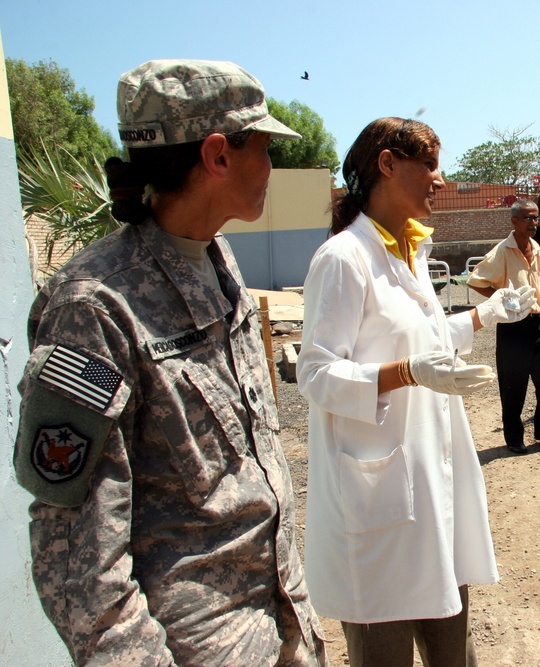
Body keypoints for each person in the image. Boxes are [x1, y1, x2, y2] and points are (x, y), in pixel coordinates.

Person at [12, 60, 326, 665]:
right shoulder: (94, 307)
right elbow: (80, 566)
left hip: (282, 620)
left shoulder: (218, 257)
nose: (272, 166)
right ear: (218, 156)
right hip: (196, 648)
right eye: (264, 147)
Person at [296, 117, 536, 666]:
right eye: (428, 164)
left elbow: (420, 341)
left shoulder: (409, 249)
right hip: (380, 491)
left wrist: (483, 314)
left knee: (453, 643)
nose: (440, 178)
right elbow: (314, 372)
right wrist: (405, 374)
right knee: (385, 647)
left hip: (431, 482)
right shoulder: (343, 258)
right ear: (387, 164)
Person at [468, 200, 540, 454]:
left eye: (535, 218)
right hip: (513, 325)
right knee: (513, 384)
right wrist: (501, 298)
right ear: (514, 221)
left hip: (538, 323)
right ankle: (514, 438)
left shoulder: (536, 248)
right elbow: (475, 280)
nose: (533, 223)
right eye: (527, 218)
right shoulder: (502, 250)